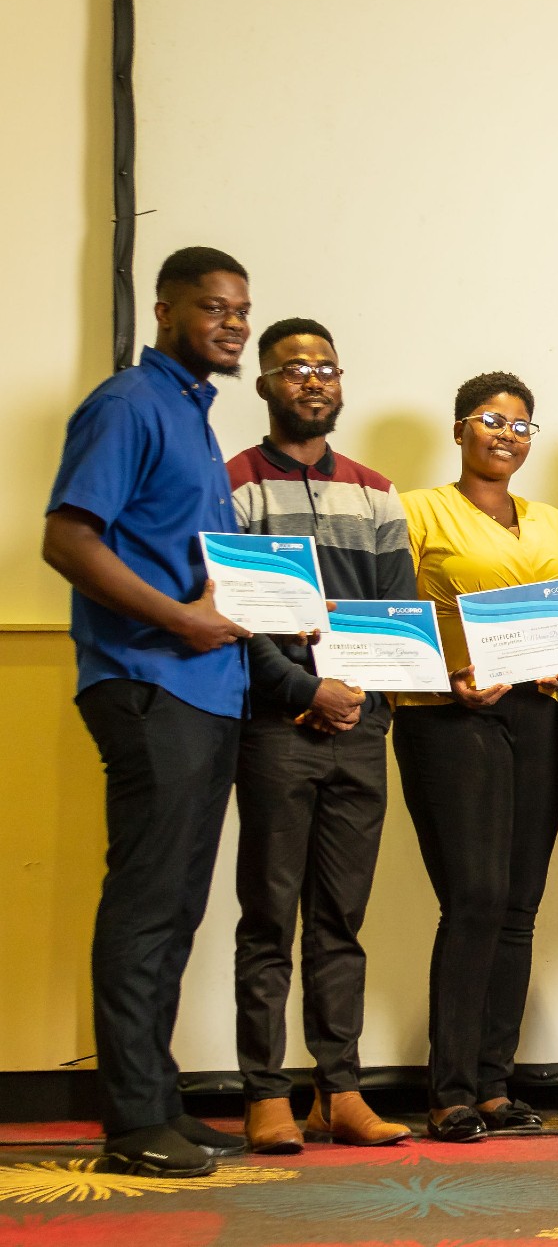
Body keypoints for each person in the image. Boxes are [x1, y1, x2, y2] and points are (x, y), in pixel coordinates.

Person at [42, 246, 256, 1176]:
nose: (233, 324)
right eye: (213, 308)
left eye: (242, 310)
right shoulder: (129, 404)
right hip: (147, 681)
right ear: (164, 311)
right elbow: (66, 538)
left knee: (175, 908)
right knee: (145, 903)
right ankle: (132, 1123)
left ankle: (160, 1100)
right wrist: (178, 619)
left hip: (209, 691)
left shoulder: (195, 415)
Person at [225, 318, 414, 1152]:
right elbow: (235, 610)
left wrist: (357, 693)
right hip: (275, 727)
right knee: (268, 917)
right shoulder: (236, 485)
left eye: (326, 368)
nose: (312, 381)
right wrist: (306, 689)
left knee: (341, 918)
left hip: (359, 730)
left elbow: (395, 610)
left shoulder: (375, 491)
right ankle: (265, 1092)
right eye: (293, 369)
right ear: (264, 384)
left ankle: (338, 1090)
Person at [391, 371, 558, 1143]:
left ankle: (496, 1085)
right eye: (491, 420)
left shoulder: (557, 523)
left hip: (539, 719)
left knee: (519, 905)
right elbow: (389, 621)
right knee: (472, 897)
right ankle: (450, 1089)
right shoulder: (416, 512)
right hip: (447, 719)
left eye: (521, 425)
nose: (507, 434)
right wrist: (450, 678)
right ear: (459, 429)